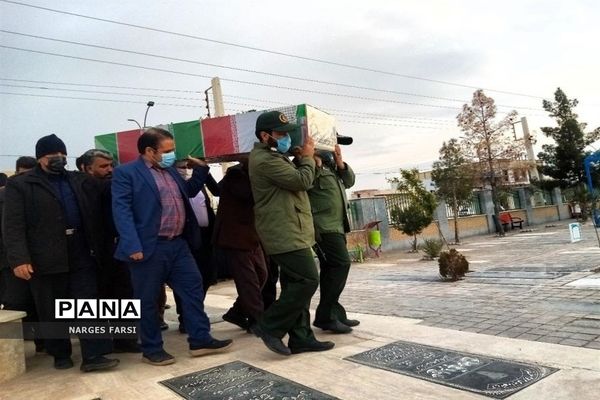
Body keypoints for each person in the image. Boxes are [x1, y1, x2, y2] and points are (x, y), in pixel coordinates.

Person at [111, 127, 232, 366]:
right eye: (167, 150)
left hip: (178, 245)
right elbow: (121, 210)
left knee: (193, 288)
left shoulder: (171, 171)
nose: (172, 154)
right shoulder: (127, 173)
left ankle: (200, 339)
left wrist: (201, 169)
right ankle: (152, 349)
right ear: (149, 151)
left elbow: (188, 191)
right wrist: (131, 244)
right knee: (147, 300)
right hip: (148, 247)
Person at [3, 135, 119, 372]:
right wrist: (19, 259)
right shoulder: (22, 184)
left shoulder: (78, 180)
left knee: (87, 304)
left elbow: (106, 189)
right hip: (44, 257)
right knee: (52, 309)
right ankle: (60, 353)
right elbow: (13, 225)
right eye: (52, 156)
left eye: (62, 155)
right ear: (40, 158)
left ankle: (93, 356)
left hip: (81, 252)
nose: (58, 159)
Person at [249, 110, 334, 356]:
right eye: (280, 133)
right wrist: (307, 158)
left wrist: (305, 160)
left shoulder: (276, 157)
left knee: (294, 284)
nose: (286, 138)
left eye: (287, 133)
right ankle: (269, 325)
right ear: (265, 136)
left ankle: (301, 337)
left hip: (292, 230)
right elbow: (301, 182)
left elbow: (300, 182)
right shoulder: (265, 160)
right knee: (308, 279)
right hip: (283, 233)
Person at [78, 149, 140, 353]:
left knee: (123, 294)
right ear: (87, 169)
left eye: (111, 165)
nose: (109, 170)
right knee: (95, 300)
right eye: (103, 166)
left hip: (116, 249)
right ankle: (98, 346)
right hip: (90, 253)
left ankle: (125, 341)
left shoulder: (114, 186)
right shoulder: (81, 187)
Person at [308, 144, 359, 334]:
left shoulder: (331, 167)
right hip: (323, 228)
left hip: (337, 226)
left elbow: (349, 181)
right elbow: (302, 183)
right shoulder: (308, 164)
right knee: (341, 265)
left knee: (331, 271)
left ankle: (334, 313)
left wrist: (340, 162)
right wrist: (312, 162)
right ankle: (325, 316)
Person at [213, 156, 267, 331]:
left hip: (252, 235)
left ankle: (237, 312)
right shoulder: (235, 173)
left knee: (261, 276)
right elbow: (248, 195)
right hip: (236, 237)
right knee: (249, 281)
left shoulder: (248, 172)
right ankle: (260, 322)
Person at [1, 156, 43, 351]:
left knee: (40, 304)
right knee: (17, 302)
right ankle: (14, 349)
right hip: (10, 261)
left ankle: (44, 342)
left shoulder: (40, 193)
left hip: (39, 259)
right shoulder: (5, 196)